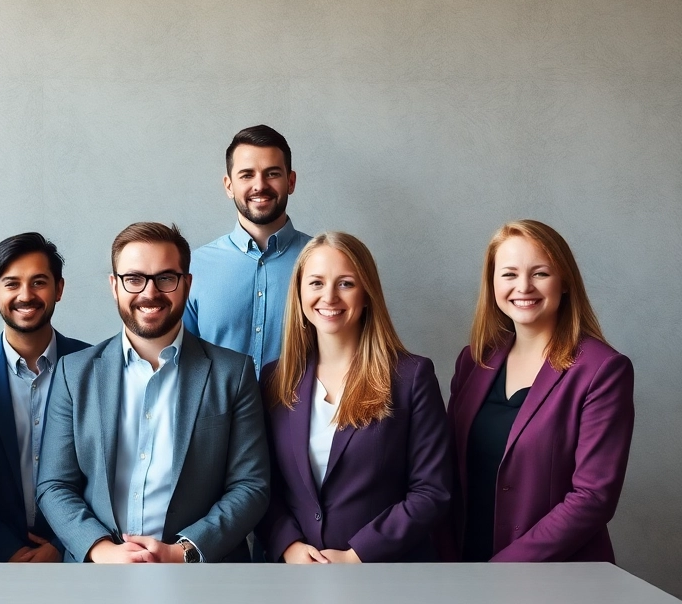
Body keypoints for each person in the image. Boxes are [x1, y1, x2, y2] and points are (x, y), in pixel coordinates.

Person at [37, 222, 270, 563]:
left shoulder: (232, 373)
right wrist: (103, 551)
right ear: (114, 286)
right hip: (98, 575)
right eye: (134, 279)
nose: (150, 293)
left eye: (165, 278)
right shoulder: (74, 373)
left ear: (186, 284)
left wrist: (183, 552)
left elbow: (251, 485)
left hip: (202, 576)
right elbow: (54, 485)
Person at [256, 232, 452, 564]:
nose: (329, 297)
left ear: (367, 294)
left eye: (345, 283)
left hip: (387, 574)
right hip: (296, 578)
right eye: (316, 283)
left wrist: (357, 555)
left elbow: (432, 491)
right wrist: (287, 544)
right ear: (300, 293)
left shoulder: (411, 377)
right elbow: (261, 483)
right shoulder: (275, 378)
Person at [447, 220, 633, 562]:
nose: (524, 287)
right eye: (509, 274)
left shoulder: (601, 369)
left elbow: (592, 497)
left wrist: (503, 569)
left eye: (540, 273)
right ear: (492, 284)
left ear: (564, 282)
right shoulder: (474, 360)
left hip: (555, 576)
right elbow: (448, 470)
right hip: (465, 568)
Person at [0, 233, 90, 562]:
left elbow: (106, 472)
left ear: (59, 289)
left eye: (39, 282)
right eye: (11, 284)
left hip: (78, 557)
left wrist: (64, 545)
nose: (25, 295)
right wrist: (5, 549)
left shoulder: (94, 367)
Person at [184, 124, 311, 375]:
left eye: (272, 173)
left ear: (291, 181)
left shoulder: (322, 261)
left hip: (299, 413)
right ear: (229, 185)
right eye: (246, 175)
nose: (259, 185)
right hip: (218, 414)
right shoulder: (194, 266)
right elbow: (181, 360)